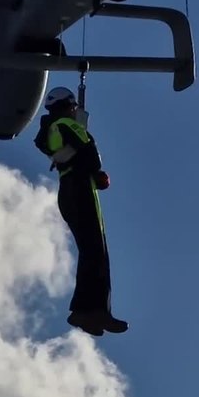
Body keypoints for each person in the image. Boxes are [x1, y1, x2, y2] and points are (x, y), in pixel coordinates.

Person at [33, 86, 128, 336]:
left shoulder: (50, 130)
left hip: (67, 188)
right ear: (69, 105)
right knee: (96, 251)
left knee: (89, 251)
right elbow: (91, 156)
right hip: (80, 188)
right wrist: (95, 172)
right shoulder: (66, 124)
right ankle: (94, 311)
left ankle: (89, 312)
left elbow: (72, 156)